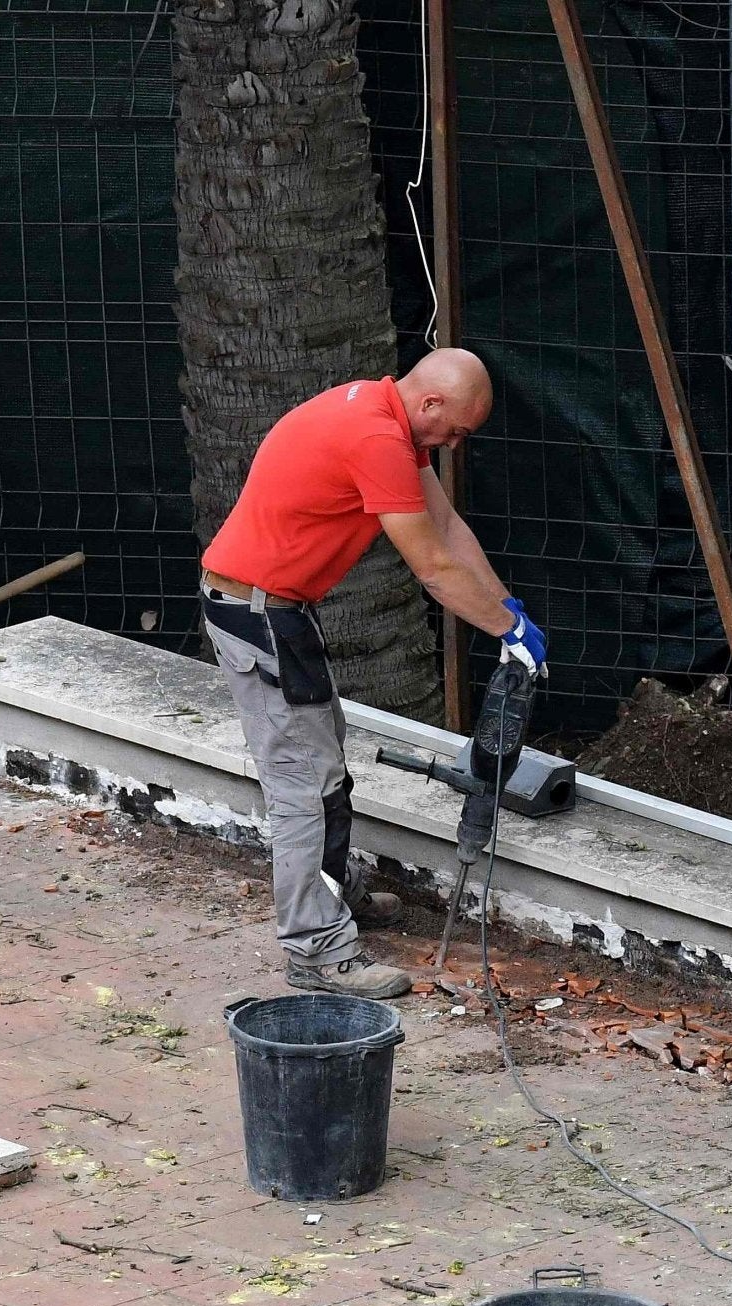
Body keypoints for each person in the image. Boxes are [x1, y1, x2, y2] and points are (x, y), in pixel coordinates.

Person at [200, 348, 547, 999]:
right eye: (457, 431)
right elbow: (434, 567)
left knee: (324, 764)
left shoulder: (387, 416)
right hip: (259, 616)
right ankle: (315, 949)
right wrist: (507, 632)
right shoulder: (376, 437)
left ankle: (336, 895)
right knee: (302, 785)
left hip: (278, 610)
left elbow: (446, 525)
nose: (453, 444)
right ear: (433, 404)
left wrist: (510, 613)